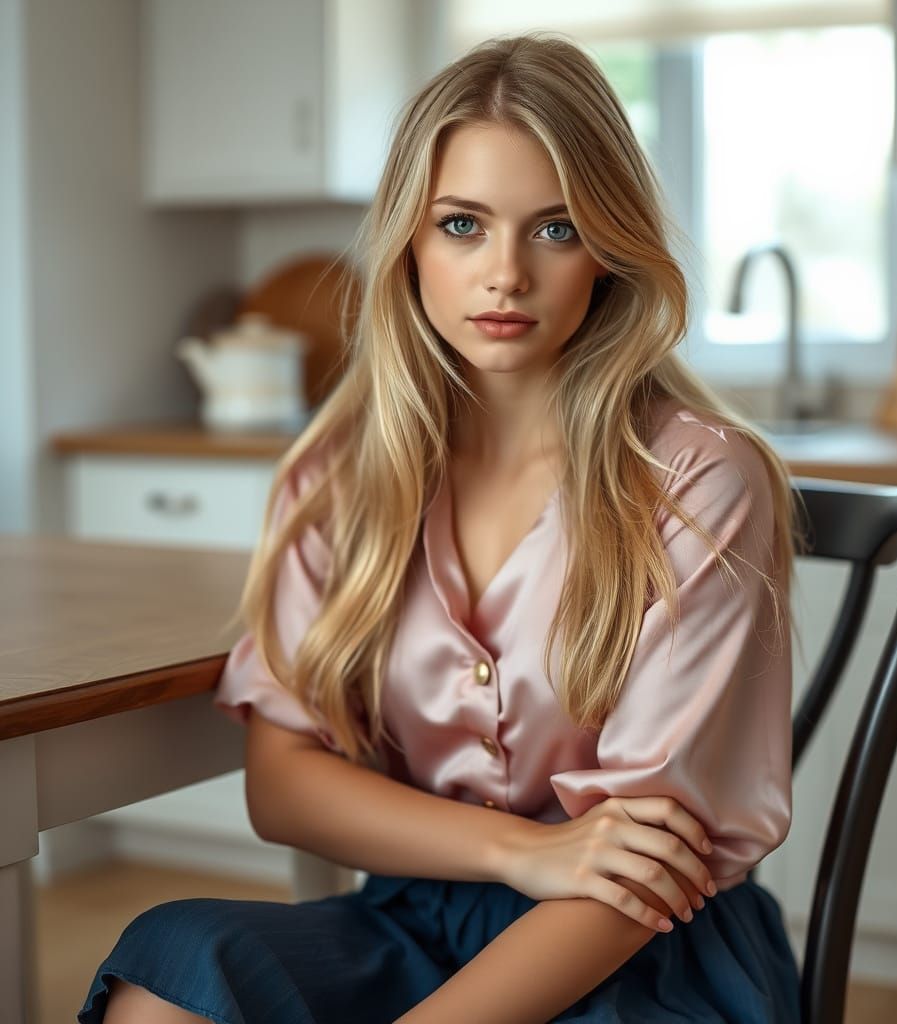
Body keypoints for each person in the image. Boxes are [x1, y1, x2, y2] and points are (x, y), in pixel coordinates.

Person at [79, 31, 808, 1024]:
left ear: (607, 251)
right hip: (416, 918)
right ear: (408, 243)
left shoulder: (698, 479)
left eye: (556, 229)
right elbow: (283, 786)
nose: (505, 273)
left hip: (639, 948)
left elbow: (643, 870)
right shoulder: (339, 474)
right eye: (462, 224)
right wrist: (522, 849)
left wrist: (553, 867)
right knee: (169, 964)